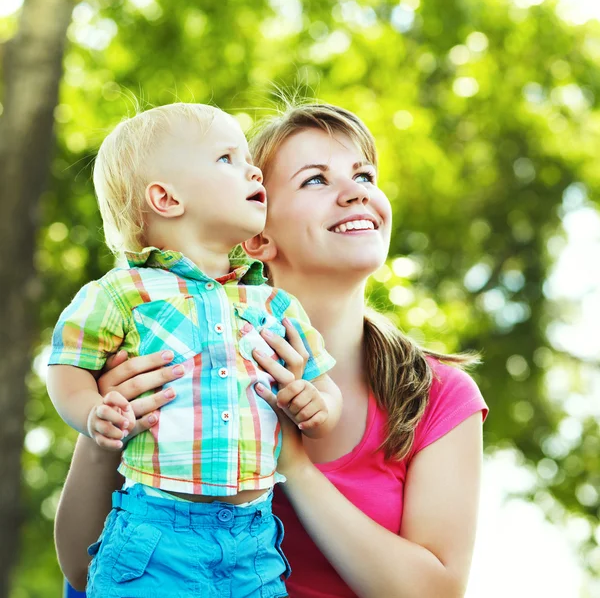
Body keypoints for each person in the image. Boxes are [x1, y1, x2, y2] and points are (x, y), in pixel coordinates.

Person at [55, 102, 488, 597]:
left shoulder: (439, 396)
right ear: (258, 233)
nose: (356, 194)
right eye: (316, 181)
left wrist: (295, 464)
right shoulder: (165, 343)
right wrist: (105, 429)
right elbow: (83, 571)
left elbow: (435, 593)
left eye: (364, 175)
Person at [47, 102, 341, 598]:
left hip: (253, 540)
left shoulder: (274, 303)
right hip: (154, 532)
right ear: (166, 198)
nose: (252, 170)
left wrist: (320, 407)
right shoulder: (123, 292)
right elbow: (67, 366)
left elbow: (322, 386)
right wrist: (92, 412)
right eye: (227, 158)